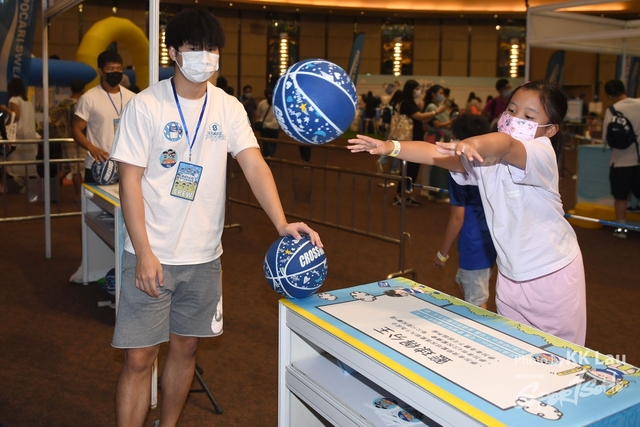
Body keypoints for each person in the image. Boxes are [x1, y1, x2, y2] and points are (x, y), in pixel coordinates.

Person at [109, 8, 322, 427]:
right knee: (140, 358)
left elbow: (254, 165)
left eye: (211, 48)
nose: (205, 56)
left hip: (204, 257)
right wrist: (145, 252)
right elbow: (129, 182)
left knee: (186, 349)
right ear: (174, 53)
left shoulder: (228, 107)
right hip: (151, 253)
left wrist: (281, 223)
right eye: (195, 48)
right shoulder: (146, 105)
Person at [348, 80, 586, 345]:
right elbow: (434, 152)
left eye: (528, 117)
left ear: (550, 129)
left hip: (552, 273)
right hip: (510, 274)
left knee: (562, 354)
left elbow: (506, 144)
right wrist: (390, 147)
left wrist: (471, 143)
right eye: (511, 110)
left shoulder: (541, 152)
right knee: (514, 347)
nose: (514, 119)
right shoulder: (485, 159)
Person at [68, 51, 136, 283]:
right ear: (100, 71)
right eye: (110, 69)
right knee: (92, 217)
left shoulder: (131, 97)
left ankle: (126, 264)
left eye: (119, 69)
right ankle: (86, 264)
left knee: (129, 216)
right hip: (98, 168)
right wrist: (92, 147)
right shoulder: (89, 98)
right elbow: (76, 129)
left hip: (125, 167)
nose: (115, 73)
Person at [432, 113, 496, 309]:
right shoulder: (491, 163)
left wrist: (442, 254)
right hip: (490, 239)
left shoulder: (459, 171)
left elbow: (457, 218)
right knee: (464, 282)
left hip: (473, 244)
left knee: (477, 303)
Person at [391, 79, 445, 207]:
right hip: (410, 140)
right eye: (416, 89)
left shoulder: (411, 102)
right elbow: (418, 116)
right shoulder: (406, 103)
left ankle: (407, 194)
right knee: (408, 169)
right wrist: (436, 112)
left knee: (413, 169)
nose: (418, 91)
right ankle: (400, 195)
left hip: (415, 139)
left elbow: (419, 119)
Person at [602, 79, 640, 239]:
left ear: (610, 96)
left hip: (620, 161)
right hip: (639, 161)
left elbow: (605, 138)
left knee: (620, 197)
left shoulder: (612, 110)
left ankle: (621, 229)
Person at [0, 78, 39, 192]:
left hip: (18, 135)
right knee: (27, 163)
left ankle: (3, 185)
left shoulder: (14, 100)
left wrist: (5, 109)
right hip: (29, 134)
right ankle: (30, 185)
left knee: (7, 160)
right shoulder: (28, 102)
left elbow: (16, 115)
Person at [56, 78, 86, 201]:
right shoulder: (82, 103)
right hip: (80, 139)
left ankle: (51, 190)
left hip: (66, 138)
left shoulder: (64, 103)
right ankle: (79, 195)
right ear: (83, 90)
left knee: (67, 167)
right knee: (77, 169)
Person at [422, 84, 452, 202]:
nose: (442, 95)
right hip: (436, 138)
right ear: (433, 94)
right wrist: (451, 122)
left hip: (441, 138)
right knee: (434, 167)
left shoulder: (439, 107)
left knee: (434, 167)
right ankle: (432, 192)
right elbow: (437, 124)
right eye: (440, 93)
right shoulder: (432, 107)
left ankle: (430, 191)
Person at [255, 87, 280, 157]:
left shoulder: (261, 103)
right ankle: (270, 156)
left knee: (265, 143)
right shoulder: (277, 103)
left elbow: (258, 114)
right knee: (274, 143)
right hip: (274, 126)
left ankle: (266, 157)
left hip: (264, 126)